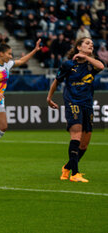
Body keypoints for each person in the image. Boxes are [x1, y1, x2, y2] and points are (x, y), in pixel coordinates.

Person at [47, 37, 104, 182]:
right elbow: (56, 81)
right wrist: (49, 98)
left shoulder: (92, 65)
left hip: (88, 104)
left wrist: (86, 57)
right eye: (87, 43)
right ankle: (75, 174)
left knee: (84, 144)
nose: (91, 44)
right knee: (76, 135)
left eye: (92, 43)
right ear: (78, 46)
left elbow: (102, 66)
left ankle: (67, 167)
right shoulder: (68, 65)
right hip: (73, 102)